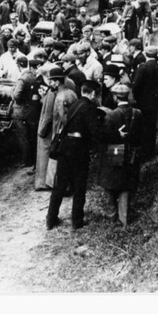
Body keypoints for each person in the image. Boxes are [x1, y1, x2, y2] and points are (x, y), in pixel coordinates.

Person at [45, 80, 104, 230]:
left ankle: (50, 219)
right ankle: (77, 221)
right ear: (93, 93)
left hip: (65, 148)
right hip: (79, 150)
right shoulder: (89, 107)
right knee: (79, 185)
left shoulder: (74, 105)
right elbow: (95, 132)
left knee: (59, 185)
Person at [98, 83, 143, 227]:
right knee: (126, 185)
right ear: (128, 96)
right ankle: (124, 218)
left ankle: (112, 215)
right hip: (132, 153)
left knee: (110, 183)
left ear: (115, 97)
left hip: (115, 152)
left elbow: (106, 137)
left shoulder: (110, 115)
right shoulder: (137, 113)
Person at [35, 67, 75, 191]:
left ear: (57, 82)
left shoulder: (58, 97)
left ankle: (56, 186)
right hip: (70, 133)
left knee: (56, 160)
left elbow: (61, 118)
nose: (50, 83)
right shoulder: (71, 93)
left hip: (59, 132)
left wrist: (42, 131)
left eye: (51, 81)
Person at [131, 45, 158, 159]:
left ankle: (144, 151)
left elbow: (136, 86)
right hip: (156, 103)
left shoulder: (142, 68)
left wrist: (137, 98)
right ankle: (151, 151)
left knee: (143, 126)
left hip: (143, 103)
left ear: (145, 54)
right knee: (152, 126)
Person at [11, 57, 40, 170]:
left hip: (21, 111)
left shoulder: (22, 79)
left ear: (18, 66)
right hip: (32, 111)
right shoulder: (34, 76)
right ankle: (32, 159)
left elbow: (17, 95)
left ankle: (26, 160)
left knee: (23, 137)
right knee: (31, 136)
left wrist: (12, 93)